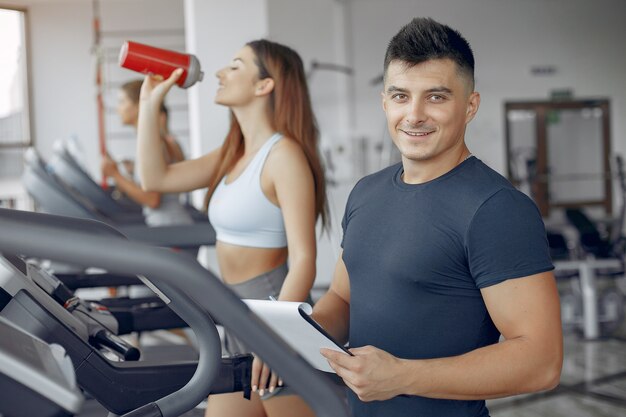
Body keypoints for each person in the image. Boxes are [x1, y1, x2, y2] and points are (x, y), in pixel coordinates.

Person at [283, 17, 561, 417]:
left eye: (435, 97)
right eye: (400, 96)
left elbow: (542, 362)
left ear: (470, 106)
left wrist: (402, 376)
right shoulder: (366, 192)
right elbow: (343, 296)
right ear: (384, 102)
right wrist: (296, 336)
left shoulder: (497, 209)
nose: (413, 115)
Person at [136, 39, 327, 417]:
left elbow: (305, 258)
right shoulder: (233, 153)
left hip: (271, 318)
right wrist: (149, 105)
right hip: (234, 317)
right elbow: (154, 178)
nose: (221, 73)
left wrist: (277, 338)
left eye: (236, 66)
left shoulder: (283, 155)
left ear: (264, 85)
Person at [101, 79, 193, 227]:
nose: (118, 109)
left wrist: (116, 175)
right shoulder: (153, 141)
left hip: (172, 232)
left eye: (122, 102)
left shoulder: (155, 143)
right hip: (169, 228)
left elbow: (152, 200)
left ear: (138, 106)